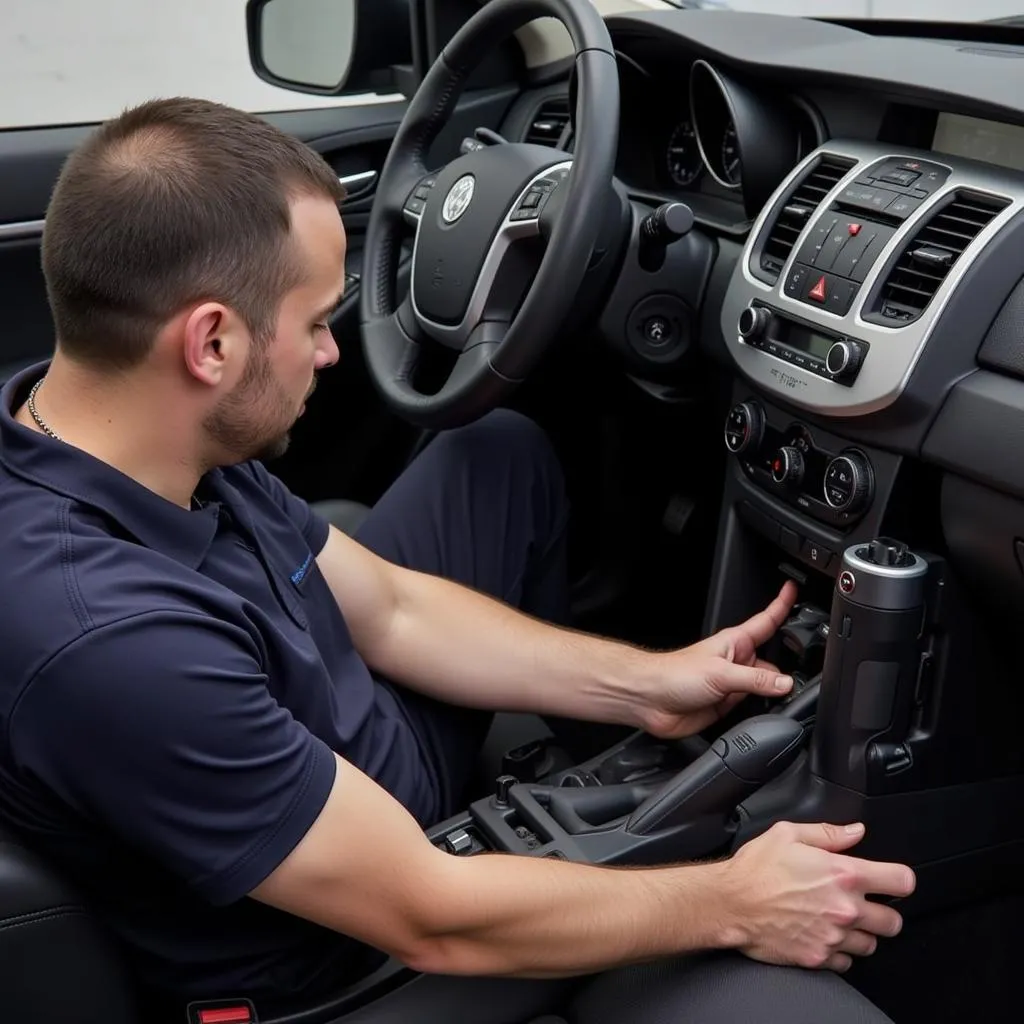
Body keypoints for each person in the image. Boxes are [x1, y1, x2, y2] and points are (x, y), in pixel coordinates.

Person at [0, 97, 913, 1024]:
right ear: (211, 343)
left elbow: (392, 609)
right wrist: (733, 899)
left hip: (342, 760)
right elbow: (431, 918)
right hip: (352, 960)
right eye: (317, 322)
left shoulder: (118, 435)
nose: (328, 352)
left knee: (497, 454)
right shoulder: (114, 646)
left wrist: (648, 684)